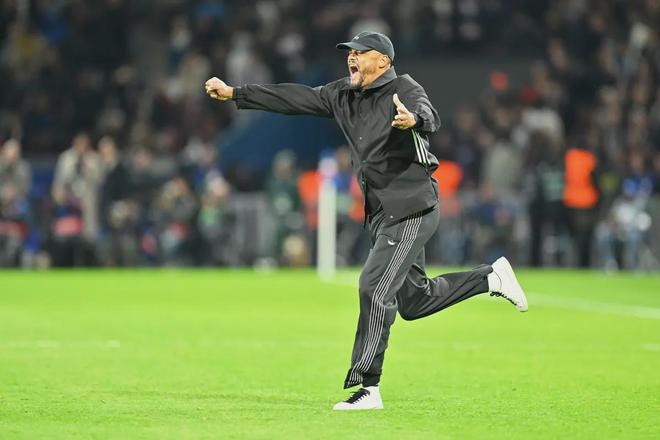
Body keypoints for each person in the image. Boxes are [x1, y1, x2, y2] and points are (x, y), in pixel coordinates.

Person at [205, 31, 528, 411]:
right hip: (381, 212)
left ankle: (368, 387)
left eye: (361, 52)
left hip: (411, 207)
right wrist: (235, 93)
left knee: (373, 287)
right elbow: (294, 97)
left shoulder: (404, 89)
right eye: (350, 52)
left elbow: (430, 116)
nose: (351, 57)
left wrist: (414, 119)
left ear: (383, 61)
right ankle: (491, 277)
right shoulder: (342, 94)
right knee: (416, 301)